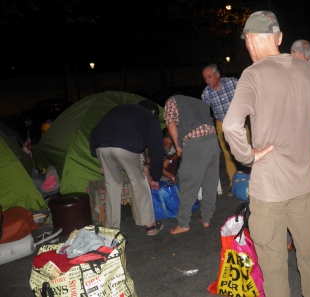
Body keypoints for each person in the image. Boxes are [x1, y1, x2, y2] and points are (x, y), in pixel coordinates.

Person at [222, 11, 310, 297]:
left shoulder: (253, 75)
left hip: (270, 189)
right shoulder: (307, 69)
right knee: (309, 256)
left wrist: (249, 156)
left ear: (249, 41)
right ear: (280, 38)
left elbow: (231, 125)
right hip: (305, 184)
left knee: (274, 266)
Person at [90, 99, 166, 236]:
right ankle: (150, 226)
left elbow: (93, 133)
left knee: (112, 184)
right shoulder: (149, 117)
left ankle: (112, 230)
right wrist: (155, 177)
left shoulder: (119, 108)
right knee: (139, 182)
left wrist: (101, 161)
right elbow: (158, 151)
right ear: (153, 111)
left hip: (102, 147)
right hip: (127, 147)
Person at [286, 39, 310, 250]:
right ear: (291, 54)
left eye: (305, 61)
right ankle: (289, 237)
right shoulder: (284, 74)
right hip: (288, 142)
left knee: (308, 188)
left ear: (309, 60)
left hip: (307, 141)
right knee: (287, 189)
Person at [164, 95, 220, 235]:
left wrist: (178, 147)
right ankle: (206, 219)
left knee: (189, 183)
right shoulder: (201, 103)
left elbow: (171, 124)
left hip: (195, 143)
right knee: (210, 182)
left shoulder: (171, 101)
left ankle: (183, 223)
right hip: (213, 141)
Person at [201, 64, 250, 196]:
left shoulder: (232, 83)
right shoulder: (206, 94)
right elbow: (205, 113)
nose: (207, 80)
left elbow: (247, 96)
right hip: (221, 124)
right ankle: (233, 184)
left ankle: (253, 181)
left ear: (217, 75)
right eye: (205, 78)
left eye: (209, 77)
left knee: (247, 151)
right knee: (229, 155)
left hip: (239, 122)